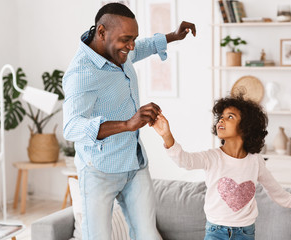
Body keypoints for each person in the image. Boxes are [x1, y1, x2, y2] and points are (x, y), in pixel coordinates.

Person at [62, 3, 196, 240]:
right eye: (126, 39)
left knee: (148, 235)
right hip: (99, 170)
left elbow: (141, 48)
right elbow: (72, 127)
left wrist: (173, 36)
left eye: (133, 38)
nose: (131, 46)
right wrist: (127, 124)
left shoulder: (117, 49)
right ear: (101, 32)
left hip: (134, 164)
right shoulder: (80, 74)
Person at [152, 96, 291, 240]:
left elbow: (273, 188)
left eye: (230, 117)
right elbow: (185, 161)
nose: (221, 120)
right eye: (221, 117)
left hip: (246, 233)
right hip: (215, 232)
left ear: (245, 127)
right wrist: (167, 136)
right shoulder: (212, 157)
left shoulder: (255, 161)